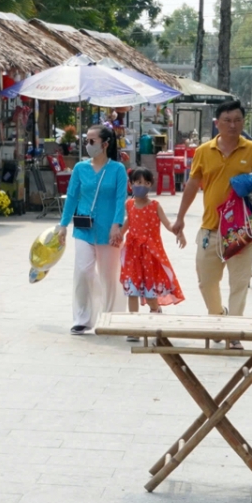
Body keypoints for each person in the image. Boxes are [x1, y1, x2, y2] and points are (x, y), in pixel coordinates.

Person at [171, 100, 252, 344]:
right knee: (206, 281)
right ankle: (218, 317)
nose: (232, 125)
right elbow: (193, 184)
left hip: (242, 229)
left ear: (243, 122)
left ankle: (233, 332)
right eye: (227, 120)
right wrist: (180, 218)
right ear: (217, 123)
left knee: (239, 283)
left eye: (237, 120)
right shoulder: (204, 151)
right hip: (211, 227)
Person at [58, 125, 128, 335]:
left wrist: (117, 225)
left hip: (109, 229)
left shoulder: (117, 169)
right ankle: (83, 318)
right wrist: (63, 225)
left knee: (109, 276)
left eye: (92, 141)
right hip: (83, 228)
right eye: (86, 141)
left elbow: (120, 198)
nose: (87, 145)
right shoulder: (80, 168)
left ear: (105, 144)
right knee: (83, 271)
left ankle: (109, 317)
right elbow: (72, 197)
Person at [119, 167, 186, 342]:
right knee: (132, 291)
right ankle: (134, 327)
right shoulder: (129, 204)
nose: (141, 185)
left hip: (150, 256)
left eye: (145, 182)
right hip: (133, 255)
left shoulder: (155, 206)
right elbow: (128, 222)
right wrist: (118, 234)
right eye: (137, 182)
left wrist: (177, 231)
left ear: (150, 185)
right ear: (131, 184)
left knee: (150, 294)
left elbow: (167, 224)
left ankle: (155, 317)